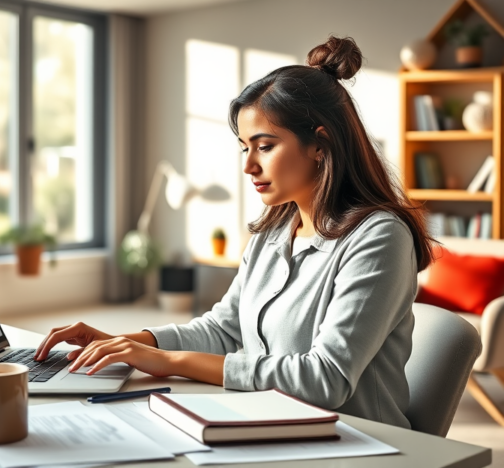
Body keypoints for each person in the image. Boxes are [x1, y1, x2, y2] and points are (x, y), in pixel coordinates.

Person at [34, 35, 434, 429]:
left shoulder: (380, 237)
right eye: (245, 147)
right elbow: (224, 328)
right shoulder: (273, 231)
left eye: (265, 146)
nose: (248, 166)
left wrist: (169, 361)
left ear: (319, 144)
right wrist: (125, 343)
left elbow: (325, 379)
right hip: (272, 423)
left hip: (359, 440)